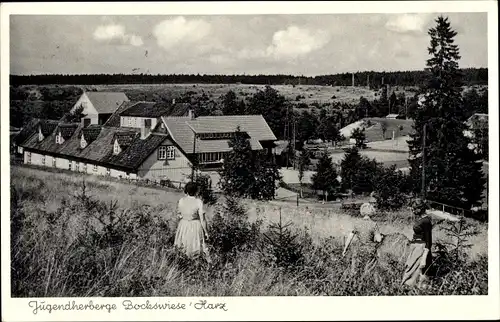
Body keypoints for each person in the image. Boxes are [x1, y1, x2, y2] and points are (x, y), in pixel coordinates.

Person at [174, 182, 210, 260]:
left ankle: (183, 262)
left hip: (183, 225)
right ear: (196, 191)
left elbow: (178, 215)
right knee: (195, 245)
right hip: (195, 226)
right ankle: (194, 262)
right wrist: (206, 232)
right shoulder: (198, 202)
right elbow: (202, 219)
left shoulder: (181, 200)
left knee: (183, 244)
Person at [402, 198, 432, 288]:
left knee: (416, 277)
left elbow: (429, 241)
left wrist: (424, 258)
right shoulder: (422, 219)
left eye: (414, 208)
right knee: (410, 273)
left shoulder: (426, 221)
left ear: (420, 209)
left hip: (421, 250)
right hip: (416, 248)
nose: (413, 210)